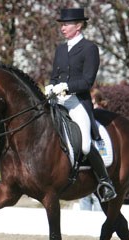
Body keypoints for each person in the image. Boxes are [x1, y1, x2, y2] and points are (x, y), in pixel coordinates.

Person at [45, 8, 116, 202]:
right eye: (62, 25)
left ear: (78, 26)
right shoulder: (60, 49)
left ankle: (104, 181)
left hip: (77, 102)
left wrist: (65, 87)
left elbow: (87, 81)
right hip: (58, 99)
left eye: (66, 25)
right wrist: (50, 87)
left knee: (84, 145)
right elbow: (54, 77)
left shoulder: (89, 48)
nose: (63, 28)